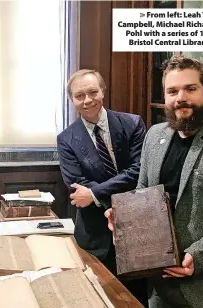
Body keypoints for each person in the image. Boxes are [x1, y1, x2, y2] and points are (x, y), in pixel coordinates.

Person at [105, 55, 203, 308]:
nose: (181, 97)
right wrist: (124, 221)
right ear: (166, 97)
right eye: (172, 91)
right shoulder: (154, 136)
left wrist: (198, 255)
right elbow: (143, 196)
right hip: (160, 288)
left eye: (190, 88)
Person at [57, 69, 149, 307]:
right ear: (72, 100)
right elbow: (76, 185)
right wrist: (95, 194)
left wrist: (95, 193)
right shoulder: (66, 139)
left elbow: (138, 171)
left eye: (92, 92)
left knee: (135, 298)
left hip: (135, 227)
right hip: (94, 233)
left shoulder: (132, 124)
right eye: (79, 96)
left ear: (103, 91)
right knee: (97, 298)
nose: (87, 100)